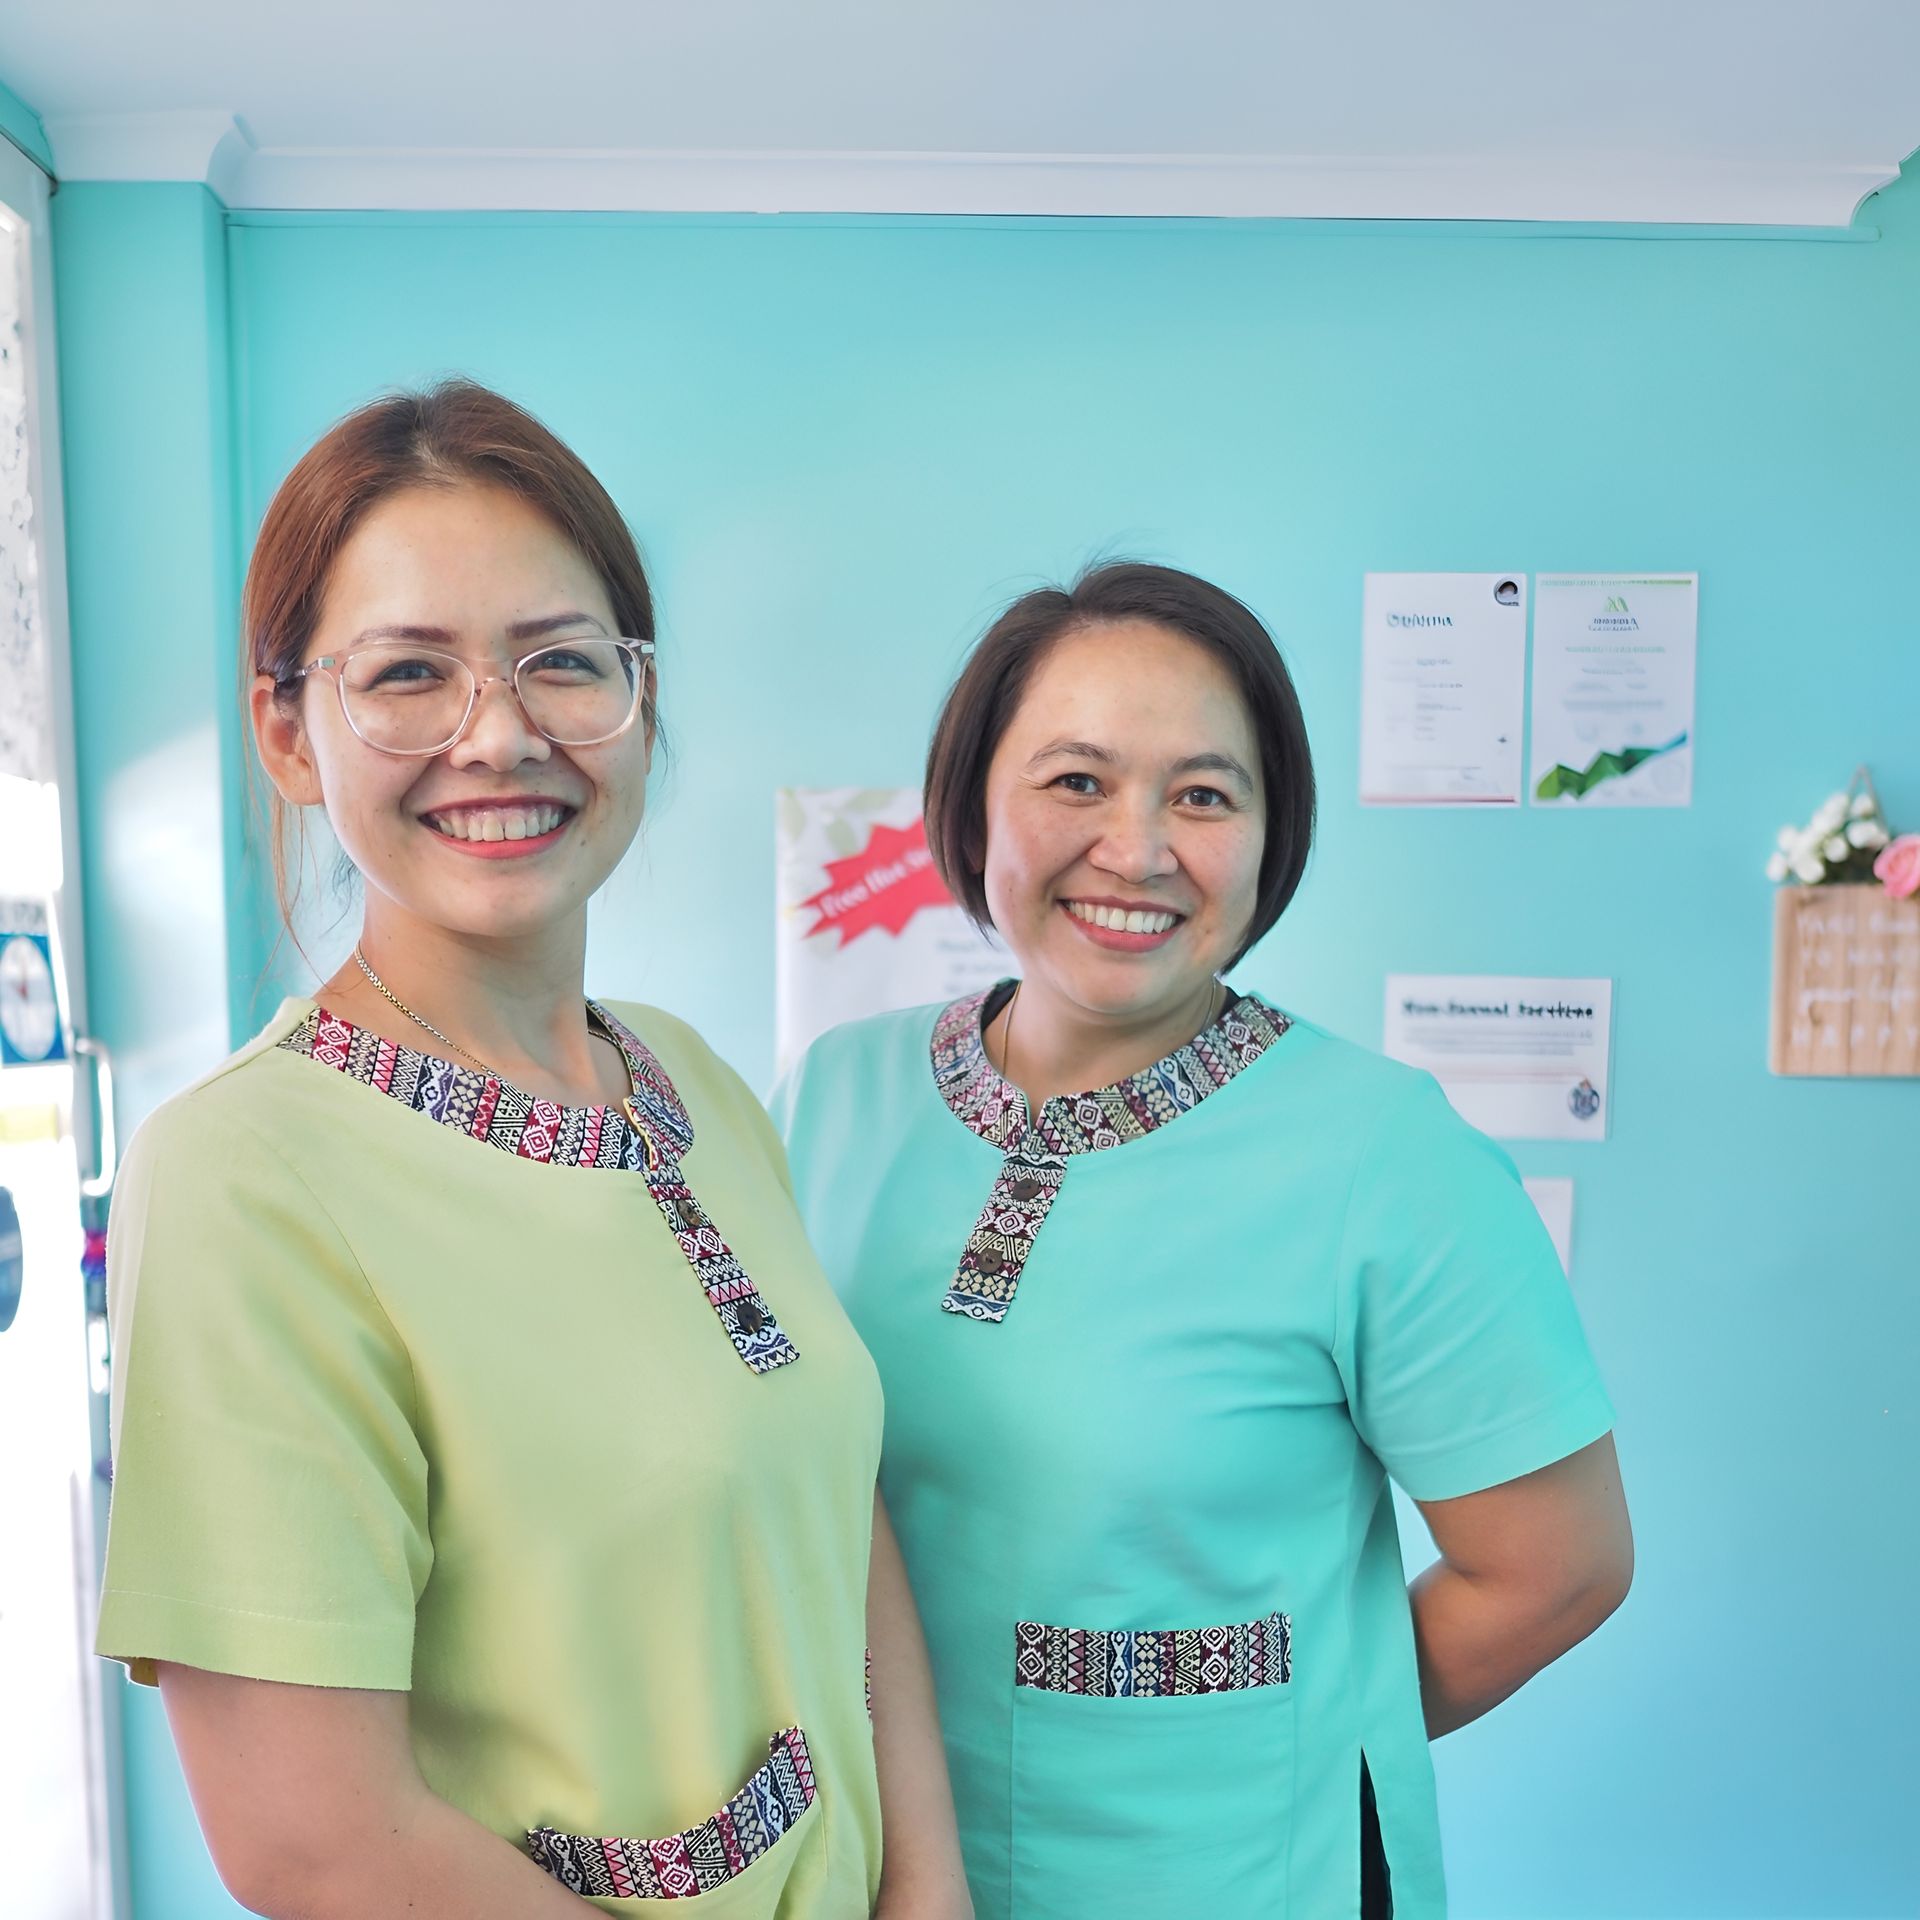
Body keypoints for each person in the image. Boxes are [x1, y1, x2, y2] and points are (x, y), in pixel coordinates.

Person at [95, 381, 968, 1919]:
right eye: (409, 675)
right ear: (288, 733)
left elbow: (839, 1505)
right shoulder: (248, 1174)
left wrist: (929, 1890)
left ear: (640, 701)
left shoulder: (690, 1080)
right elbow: (318, 1843)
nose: (498, 737)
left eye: (562, 663)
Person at [772, 562, 1632, 1919]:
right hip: (862, 1868)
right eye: (1076, 781)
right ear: (972, 801)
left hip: (1229, 1874)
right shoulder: (832, 1094)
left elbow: (1556, 1568)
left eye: (1205, 795)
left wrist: (1284, 1729)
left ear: (1267, 835)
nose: (1141, 848)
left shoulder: (1383, 1154)